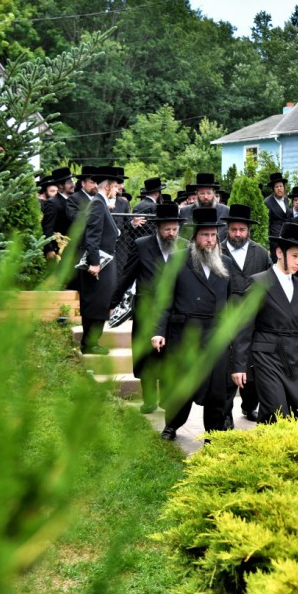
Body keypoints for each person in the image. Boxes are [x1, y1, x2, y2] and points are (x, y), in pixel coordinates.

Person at [230, 223, 298, 424]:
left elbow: (292, 319)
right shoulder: (258, 282)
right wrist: (239, 365)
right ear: (279, 252)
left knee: (295, 414)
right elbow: (244, 325)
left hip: (294, 356)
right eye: (295, 256)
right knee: (274, 410)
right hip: (266, 356)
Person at [151, 208, 237, 441]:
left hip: (215, 334)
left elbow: (229, 301)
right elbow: (164, 299)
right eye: (204, 235)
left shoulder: (226, 263)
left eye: (213, 235)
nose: (209, 240)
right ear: (195, 237)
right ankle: (172, 425)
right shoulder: (178, 260)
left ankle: (214, 433)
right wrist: (159, 331)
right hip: (185, 333)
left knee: (216, 389)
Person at [111, 202, 183, 412]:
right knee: (146, 355)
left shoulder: (185, 246)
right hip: (146, 309)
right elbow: (127, 275)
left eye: (174, 229)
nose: (171, 234)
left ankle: (167, 398)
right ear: (157, 228)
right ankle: (149, 399)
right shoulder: (142, 245)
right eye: (167, 229)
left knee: (169, 355)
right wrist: (112, 303)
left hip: (174, 311)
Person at [220, 204, 273, 425]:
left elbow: (271, 282)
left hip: (255, 318)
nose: (238, 234)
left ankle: (250, 406)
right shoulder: (217, 252)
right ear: (227, 229)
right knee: (227, 366)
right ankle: (225, 413)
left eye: (242, 230)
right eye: (234, 230)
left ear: (248, 230)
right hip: (226, 317)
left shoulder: (260, 253)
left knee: (253, 365)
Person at [76, 166, 120, 355]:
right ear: (108, 186)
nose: (117, 191)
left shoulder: (100, 203)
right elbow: (92, 236)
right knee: (96, 302)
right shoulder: (97, 204)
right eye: (115, 187)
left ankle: (92, 342)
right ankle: (89, 343)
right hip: (99, 263)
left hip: (105, 261)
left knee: (101, 301)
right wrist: (94, 263)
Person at [263, 172, 292, 242]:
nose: (279, 188)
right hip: (275, 240)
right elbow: (266, 224)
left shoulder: (286, 200)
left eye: (281, 186)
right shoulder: (267, 202)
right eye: (276, 187)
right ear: (273, 189)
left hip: (288, 238)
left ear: (284, 187)